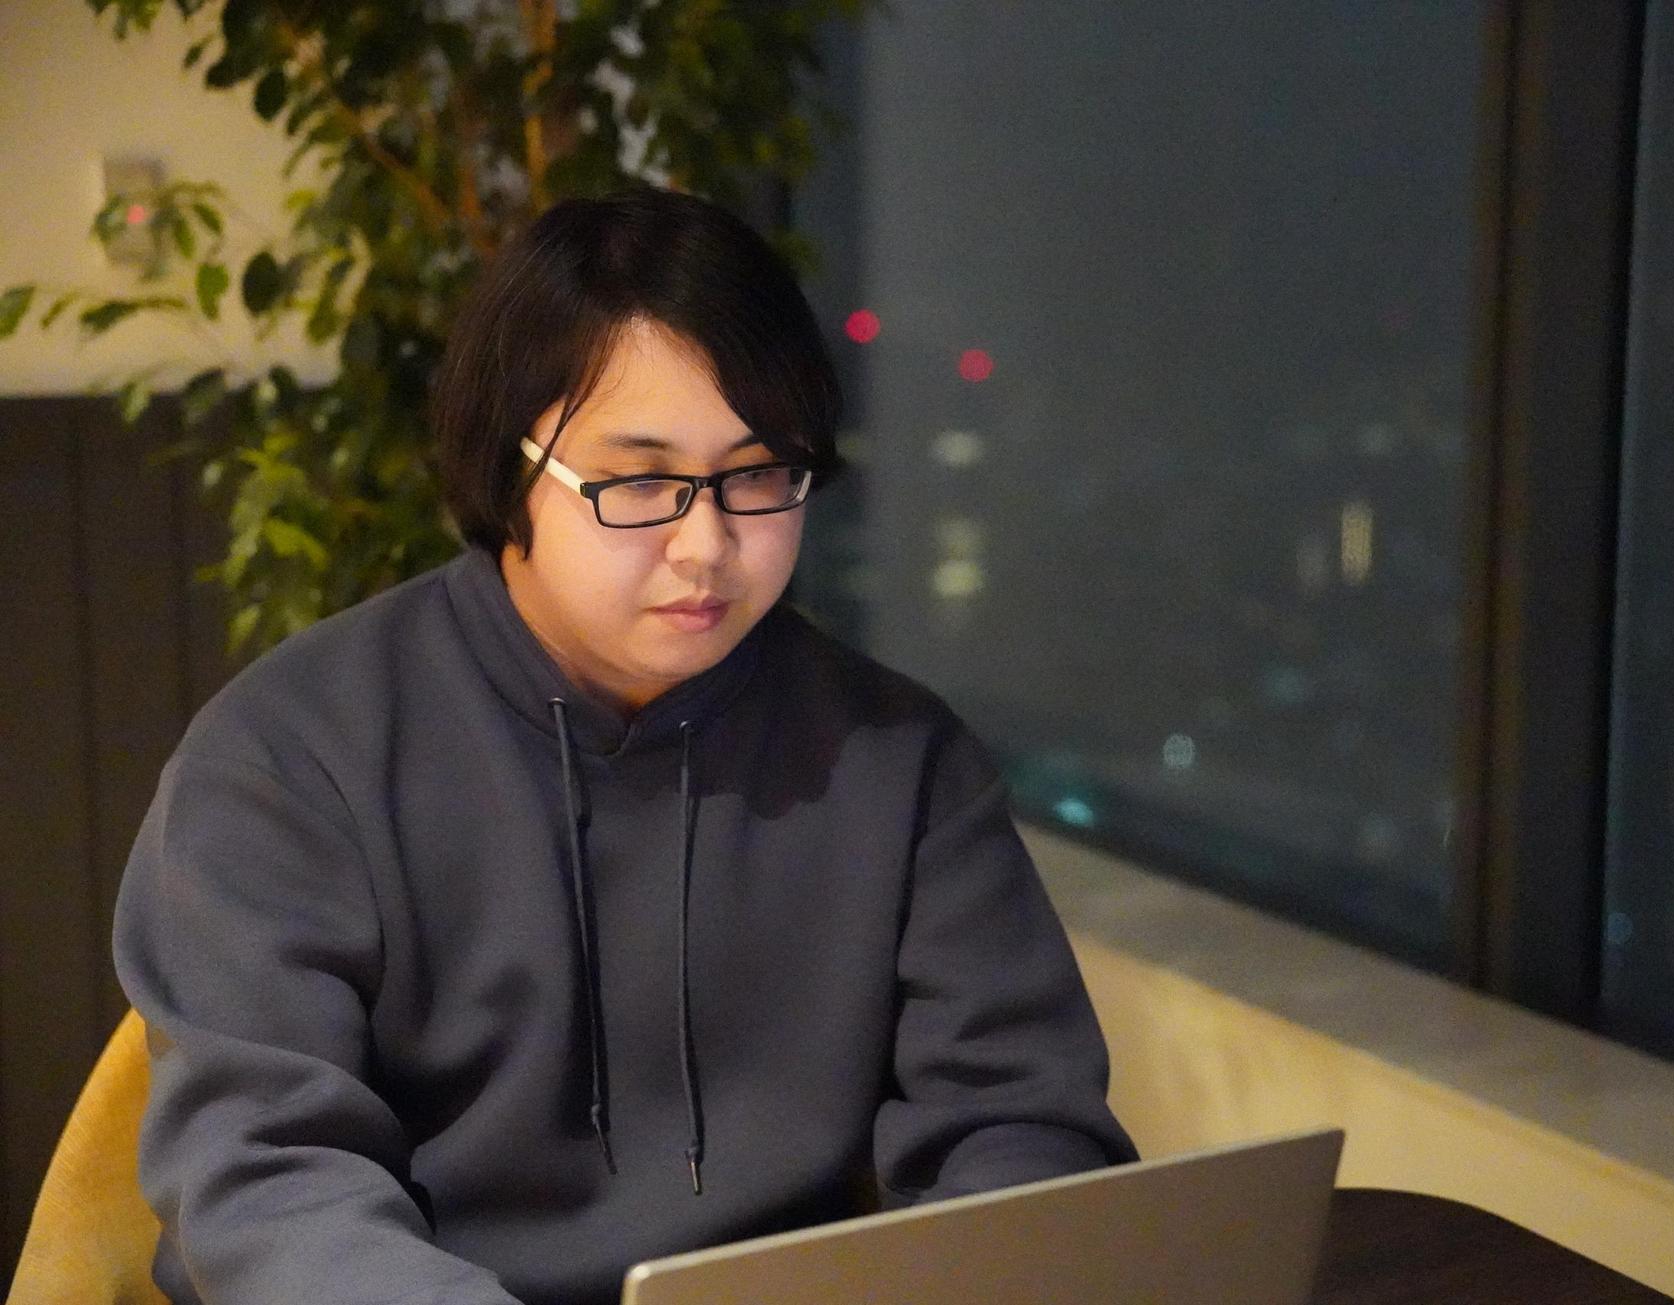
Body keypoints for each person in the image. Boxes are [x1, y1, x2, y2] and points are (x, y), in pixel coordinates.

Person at [112, 184, 1135, 1305]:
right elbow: (267, 1178)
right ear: (511, 468)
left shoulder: (900, 762)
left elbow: (1020, 1128)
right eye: (642, 481)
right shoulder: (292, 756)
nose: (707, 544)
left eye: (757, 474)